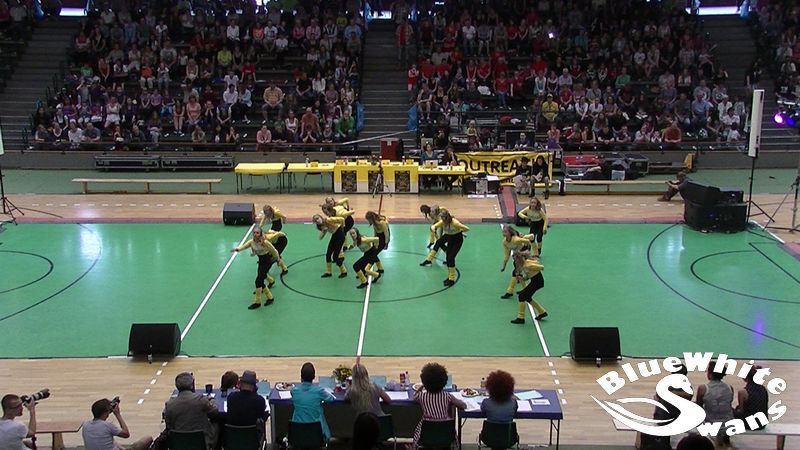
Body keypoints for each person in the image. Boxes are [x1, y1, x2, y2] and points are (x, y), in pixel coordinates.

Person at [412, 363, 466, 446]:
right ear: (444, 382)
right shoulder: (447, 396)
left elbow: (414, 397)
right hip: (445, 433)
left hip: (426, 434)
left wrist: (422, 386)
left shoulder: (422, 396)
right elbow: (462, 405)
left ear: (424, 381)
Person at [164, 372, 219, 449]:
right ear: (192, 385)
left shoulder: (169, 405)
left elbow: (169, 426)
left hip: (179, 444)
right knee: (217, 424)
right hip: (201, 443)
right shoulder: (201, 400)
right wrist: (212, 400)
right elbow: (215, 412)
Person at [232, 228, 281, 309]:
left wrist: (278, 260)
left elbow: (274, 251)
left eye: (257, 233)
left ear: (260, 234)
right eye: (254, 232)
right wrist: (237, 249)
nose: (255, 234)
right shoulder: (252, 242)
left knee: (258, 281)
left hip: (267, 262)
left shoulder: (265, 242)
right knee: (260, 280)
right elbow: (245, 246)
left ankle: (257, 302)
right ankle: (270, 297)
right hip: (261, 262)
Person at [420, 209, 469, 286]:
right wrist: (433, 228)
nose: (442, 219)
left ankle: (451, 279)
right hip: (448, 236)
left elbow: (467, 228)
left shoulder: (455, 223)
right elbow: (434, 226)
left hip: (457, 239)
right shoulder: (442, 222)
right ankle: (448, 277)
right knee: (443, 249)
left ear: (446, 217)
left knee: (450, 258)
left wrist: (460, 231)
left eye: (443, 217)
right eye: (441, 217)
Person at [82, 398, 153, 450]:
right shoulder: (107, 425)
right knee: (148, 439)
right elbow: (126, 434)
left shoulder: (85, 425)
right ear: (106, 412)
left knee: (110, 439)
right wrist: (117, 414)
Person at [292, 363, 336, 439]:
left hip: (297, 433)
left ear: (301, 376)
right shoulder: (319, 391)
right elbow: (331, 399)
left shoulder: (294, 391)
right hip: (317, 434)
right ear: (314, 377)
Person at [695, 362, 734, 446]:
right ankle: (725, 436)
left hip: (710, 423)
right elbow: (729, 403)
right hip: (728, 423)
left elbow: (698, 407)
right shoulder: (730, 388)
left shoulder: (703, 388)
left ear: (710, 374)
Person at [225, 370, 269, 439]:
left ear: (240, 384)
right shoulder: (259, 400)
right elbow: (262, 416)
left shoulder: (231, 397)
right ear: (254, 386)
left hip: (233, 439)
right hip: (253, 440)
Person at [510, 251, 547, 323]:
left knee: (521, 296)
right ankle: (542, 312)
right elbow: (529, 275)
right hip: (535, 282)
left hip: (537, 282)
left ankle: (521, 318)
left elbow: (541, 267)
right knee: (527, 297)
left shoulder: (527, 265)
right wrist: (523, 278)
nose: (515, 262)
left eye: (515, 260)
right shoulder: (525, 265)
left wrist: (534, 267)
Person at [500, 225, 535, 299]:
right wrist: (504, 266)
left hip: (524, 250)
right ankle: (524, 289)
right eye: (503, 232)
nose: (504, 233)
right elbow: (507, 255)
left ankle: (510, 291)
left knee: (517, 271)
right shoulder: (505, 242)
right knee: (517, 271)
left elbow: (527, 241)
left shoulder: (515, 239)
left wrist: (525, 253)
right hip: (517, 253)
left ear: (510, 233)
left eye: (505, 232)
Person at [313, 213, 348, 278]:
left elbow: (342, 219)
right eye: (315, 220)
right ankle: (328, 272)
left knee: (335, 257)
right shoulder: (322, 226)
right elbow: (320, 238)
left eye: (317, 218)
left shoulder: (328, 220)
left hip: (340, 235)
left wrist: (343, 228)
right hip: (334, 235)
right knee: (328, 254)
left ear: (321, 217)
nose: (317, 220)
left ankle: (344, 271)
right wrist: (323, 231)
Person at [734, 366, 769, 430]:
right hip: (763, 423)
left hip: (751, 424)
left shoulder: (743, 392)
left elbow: (741, 411)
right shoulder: (763, 389)